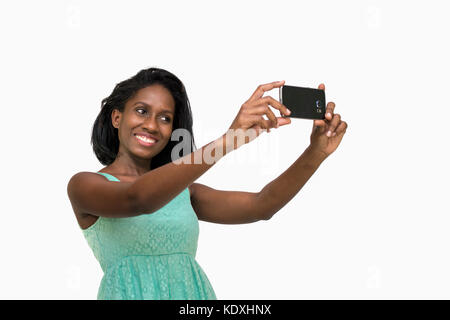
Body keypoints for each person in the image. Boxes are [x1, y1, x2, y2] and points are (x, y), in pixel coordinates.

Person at [66, 67, 348, 300]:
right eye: (141, 111)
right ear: (117, 117)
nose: (152, 125)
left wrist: (316, 153)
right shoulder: (85, 186)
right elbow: (138, 199)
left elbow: (262, 205)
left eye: (165, 118)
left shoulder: (183, 193)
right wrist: (229, 140)